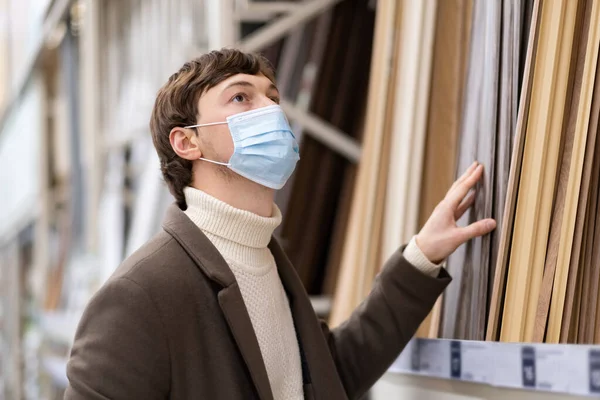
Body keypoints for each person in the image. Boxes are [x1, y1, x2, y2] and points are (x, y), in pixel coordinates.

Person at [64, 49, 496, 400]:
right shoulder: (141, 293)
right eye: (241, 98)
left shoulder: (265, 257)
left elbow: (332, 374)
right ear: (187, 141)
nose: (270, 109)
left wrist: (422, 255)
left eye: (272, 96)